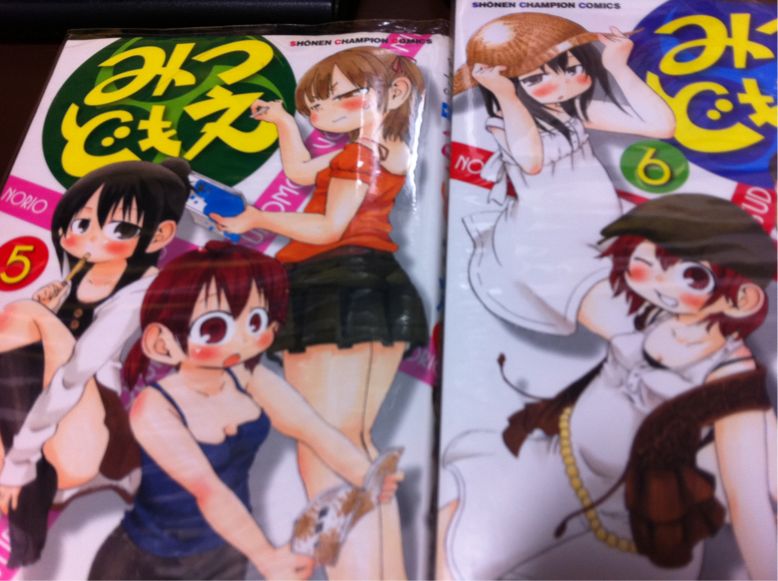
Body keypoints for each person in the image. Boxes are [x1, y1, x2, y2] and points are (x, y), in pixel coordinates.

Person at [437, 195, 777, 580]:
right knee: (455, 539)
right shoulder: (646, 313)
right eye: (644, 263)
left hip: (629, 531)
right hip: (553, 469)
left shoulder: (731, 382)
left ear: (743, 299)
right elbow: (548, 270)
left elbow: (748, 503)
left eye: (691, 275)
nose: (658, 282)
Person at [209, 46, 429, 580]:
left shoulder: (361, 154)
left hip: (336, 282)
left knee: (328, 447)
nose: (320, 110)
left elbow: (329, 228)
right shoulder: (381, 148)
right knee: (349, 443)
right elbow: (302, 172)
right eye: (314, 104)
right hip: (367, 283)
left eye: (337, 97)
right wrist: (285, 123)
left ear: (393, 93)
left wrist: (257, 218)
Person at [88, 241, 401, 580]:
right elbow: (208, 490)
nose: (241, 340)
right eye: (214, 328)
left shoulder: (247, 378)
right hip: (145, 564)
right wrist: (267, 558)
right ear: (162, 343)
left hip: (224, 554)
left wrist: (367, 474)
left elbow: (314, 430)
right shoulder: (154, 407)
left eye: (256, 321)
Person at [0, 159, 190, 566]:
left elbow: (74, 375)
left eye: (119, 228)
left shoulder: (142, 294)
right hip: (34, 430)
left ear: (160, 234)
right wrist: (48, 313)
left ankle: (25, 488)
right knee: (26, 317)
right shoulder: (75, 277)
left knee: (21, 314)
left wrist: (21, 459)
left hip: (86, 439)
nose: (91, 238)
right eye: (81, 223)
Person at [452, 12, 675, 335]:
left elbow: (661, 126)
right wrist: (506, 96)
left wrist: (618, 67)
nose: (560, 85)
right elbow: (531, 161)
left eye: (572, 70)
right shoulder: (503, 121)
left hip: (606, 229)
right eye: (535, 79)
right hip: (552, 241)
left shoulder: (572, 110)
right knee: (628, 326)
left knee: (666, 303)